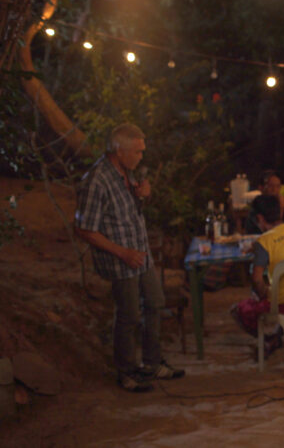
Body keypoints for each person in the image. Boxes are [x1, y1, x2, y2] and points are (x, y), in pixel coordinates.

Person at [75, 123, 185, 393]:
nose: (141, 156)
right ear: (119, 150)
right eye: (137, 151)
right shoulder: (97, 180)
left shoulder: (125, 172)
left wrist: (143, 195)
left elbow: (125, 214)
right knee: (129, 315)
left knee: (155, 303)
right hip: (120, 259)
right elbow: (85, 229)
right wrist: (123, 253)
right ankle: (127, 372)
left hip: (140, 253)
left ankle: (152, 363)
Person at [229, 195, 284, 354]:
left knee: (239, 310)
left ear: (260, 218)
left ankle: (269, 339)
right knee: (276, 292)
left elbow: (257, 280)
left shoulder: (264, 241)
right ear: (280, 212)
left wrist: (263, 294)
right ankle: (275, 337)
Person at [244, 170, 284, 235]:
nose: (275, 189)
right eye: (271, 186)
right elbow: (265, 227)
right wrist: (281, 207)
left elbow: (283, 221)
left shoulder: (276, 200)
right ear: (262, 187)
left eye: (278, 186)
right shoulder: (259, 201)